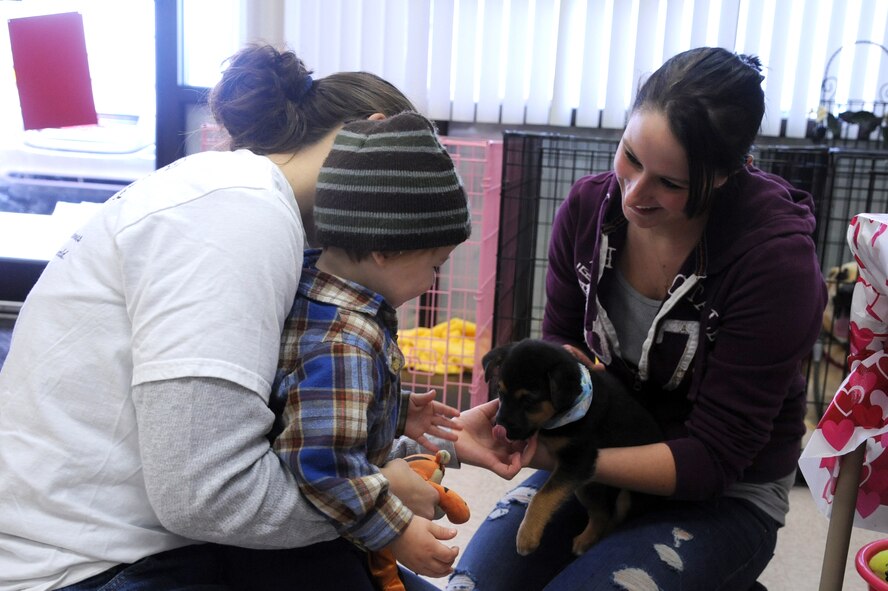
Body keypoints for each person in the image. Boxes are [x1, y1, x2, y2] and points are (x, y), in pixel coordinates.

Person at [0, 44, 520, 591]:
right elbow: (210, 497)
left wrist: (416, 440)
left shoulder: (257, 213)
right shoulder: (239, 214)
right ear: (373, 134)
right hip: (93, 566)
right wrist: (383, 505)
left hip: (139, 538)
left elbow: (290, 431)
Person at [446, 47, 828, 591]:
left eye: (670, 184)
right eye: (630, 156)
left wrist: (568, 455)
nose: (634, 193)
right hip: (599, 448)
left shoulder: (776, 266)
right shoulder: (586, 210)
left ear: (725, 174)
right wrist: (530, 414)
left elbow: (714, 459)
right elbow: (561, 343)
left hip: (723, 490)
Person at [226, 112, 474, 590]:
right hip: (303, 559)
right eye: (434, 264)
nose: (432, 282)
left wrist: (397, 412)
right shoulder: (346, 342)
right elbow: (324, 462)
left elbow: (308, 403)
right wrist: (397, 530)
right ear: (384, 248)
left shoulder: (315, 289)